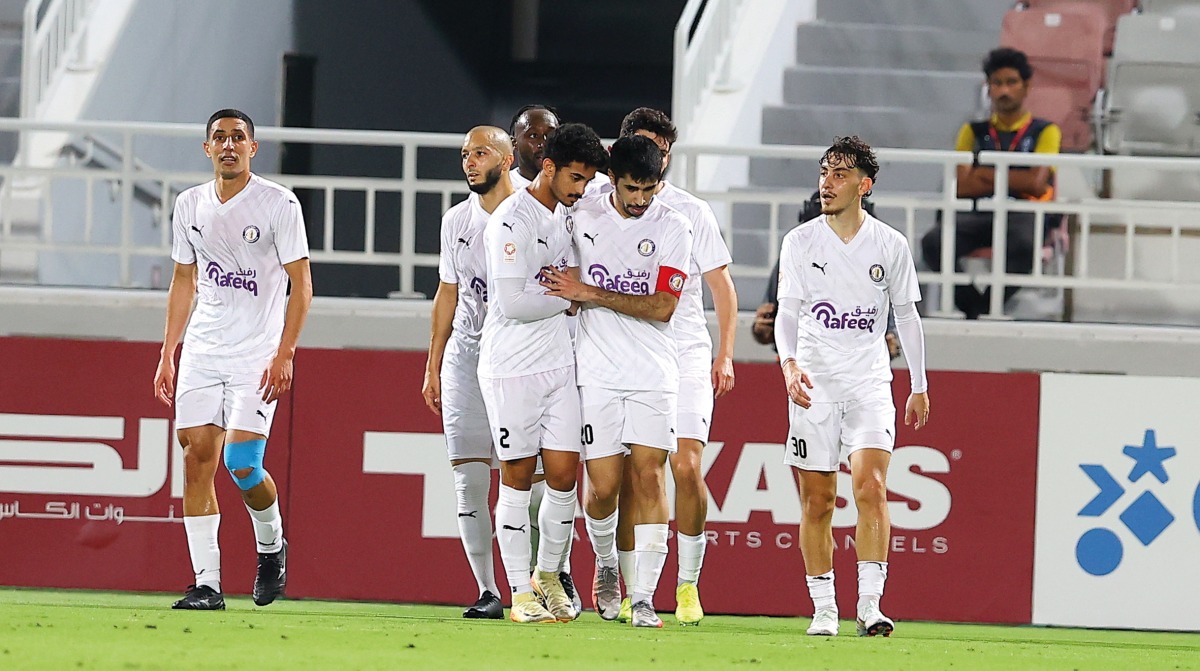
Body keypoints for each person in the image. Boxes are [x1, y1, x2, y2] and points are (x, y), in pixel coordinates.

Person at [153, 109, 312, 610]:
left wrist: (285, 353)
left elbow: (301, 286)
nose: (228, 145)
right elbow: (185, 279)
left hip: (256, 354)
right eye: (219, 138)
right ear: (206, 149)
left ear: (252, 147)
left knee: (241, 462)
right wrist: (167, 351)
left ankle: (271, 547)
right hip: (203, 349)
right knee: (197, 458)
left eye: (237, 137)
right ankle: (207, 584)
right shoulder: (189, 205)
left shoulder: (278, 203)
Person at [774, 136, 929, 637]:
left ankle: (869, 605)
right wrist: (789, 363)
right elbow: (788, 313)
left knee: (872, 487)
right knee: (817, 502)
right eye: (824, 171)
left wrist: (919, 385)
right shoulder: (800, 242)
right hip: (814, 384)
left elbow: (906, 315)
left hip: (869, 382)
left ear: (864, 184)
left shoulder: (890, 245)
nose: (827, 182)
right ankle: (823, 608)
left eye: (839, 174)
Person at [540, 134, 693, 629]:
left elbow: (663, 307)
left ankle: (644, 596)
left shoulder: (675, 226)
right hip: (598, 373)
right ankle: (606, 563)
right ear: (612, 179)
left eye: (651, 188)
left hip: (653, 372)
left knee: (650, 476)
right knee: (603, 488)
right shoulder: (583, 215)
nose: (641, 199)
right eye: (632, 188)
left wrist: (590, 291)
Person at [612, 107, 737, 625]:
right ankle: (629, 587)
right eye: (645, 148)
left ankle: (686, 585)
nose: (654, 162)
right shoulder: (600, 203)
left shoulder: (691, 211)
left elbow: (722, 288)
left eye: (662, 154)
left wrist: (725, 352)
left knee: (685, 466)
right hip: (624, 350)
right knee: (629, 476)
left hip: (682, 348)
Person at [478, 122, 607, 623]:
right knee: (515, 478)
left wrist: (571, 291)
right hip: (511, 367)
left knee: (562, 477)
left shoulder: (569, 217)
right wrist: (569, 299)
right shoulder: (510, 220)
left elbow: (571, 281)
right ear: (548, 168)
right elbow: (512, 303)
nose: (581, 189)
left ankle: (548, 575)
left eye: (587, 180)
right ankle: (519, 592)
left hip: (559, 364)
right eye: (575, 178)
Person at [421, 126, 518, 620]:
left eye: (480, 152)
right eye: (464, 154)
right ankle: (487, 590)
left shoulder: (532, 209)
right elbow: (447, 292)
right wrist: (433, 363)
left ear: (507, 157)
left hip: (519, 360)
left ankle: (538, 581)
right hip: (465, 358)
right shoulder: (455, 220)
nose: (469, 161)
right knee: (469, 480)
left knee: (528, 483)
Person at [920, 46, 1062, 319]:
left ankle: (983, 309)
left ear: (1026, 86)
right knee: (934, 242)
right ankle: (976, 306)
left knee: (1024, 246)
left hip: (1023, 214)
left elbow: (1036, 184)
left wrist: (985, 175)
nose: (1004, 91)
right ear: (988, 87)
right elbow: (962, 186)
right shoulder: (972, 131)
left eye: (1011, 82)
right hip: (978, 213)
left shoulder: (1046, 131)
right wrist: (1013, 178)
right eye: (997, 83)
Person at [754, 193, 901, 360]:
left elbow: (892, 332)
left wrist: (889, 341)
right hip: (807, 367)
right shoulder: (793, 259)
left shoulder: (877, 266)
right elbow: (772, 325)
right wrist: (762, 329)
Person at [508, 105, 560, 190]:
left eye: (551, 135)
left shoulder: (578, 189)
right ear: (514, 143)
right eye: (533, 135)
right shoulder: (499, 189)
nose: (544, 143)